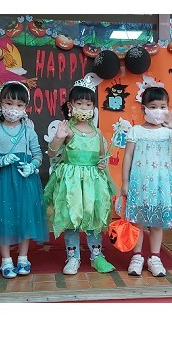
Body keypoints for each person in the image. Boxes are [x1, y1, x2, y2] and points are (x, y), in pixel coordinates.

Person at [43, 74, 116, 275]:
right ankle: (73, 256)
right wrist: (58, 138)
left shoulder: (97, 132)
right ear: (70, 105)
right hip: (72, 181)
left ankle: (96, 256)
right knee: (71, 217)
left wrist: (102, 163)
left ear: (93, 108)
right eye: (79, 103)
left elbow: (101, 156)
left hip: (93, 181)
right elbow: (52, 153)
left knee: (93, 216)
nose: (84, 108)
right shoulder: (68, 130)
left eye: (88, 105)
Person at [121, 86, 172, 277]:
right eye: (153, 107)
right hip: (139, 185)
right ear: (144, 108)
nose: (158, 111)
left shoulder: (168, 132)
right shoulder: (136, 130)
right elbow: (128, 157)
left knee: (156, 223)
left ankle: (155, 257)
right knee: (137, 222)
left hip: (161, 186)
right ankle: (137, 257)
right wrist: (125, 182)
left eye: (162, 106)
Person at [0, 81, 48, 278]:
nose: (14, 109)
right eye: (9, 103)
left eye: (19, 105)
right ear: (1, 103)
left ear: (26, 107)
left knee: (25, 217)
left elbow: (38, 155)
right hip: (3, 181)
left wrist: (32, 166)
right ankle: (6, 260)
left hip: (25, 180)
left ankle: (23, 258)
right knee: (3, 218)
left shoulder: (28, 131)